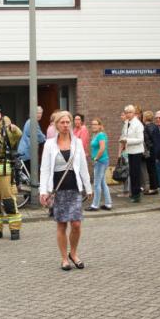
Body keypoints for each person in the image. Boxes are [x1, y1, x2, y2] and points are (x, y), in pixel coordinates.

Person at [40, 111, 92, 270]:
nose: (65, 125)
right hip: (58, 189)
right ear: (56, 125)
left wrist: (88, 187)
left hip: (74, 188)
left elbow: (83, 166)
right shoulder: (49, 144)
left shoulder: (77, 142)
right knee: (62, 225)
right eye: (62, 122)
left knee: (76, 224)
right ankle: (64, 258)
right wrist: (43, 191)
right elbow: (45, 169)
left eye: (67, 122)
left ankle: (73, 253)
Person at [0, 102, 24, 240]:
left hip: (5, 171)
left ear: (0, 115)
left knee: (8, 201)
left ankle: (14, 229)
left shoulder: (7, 129)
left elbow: (18, 135)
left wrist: (12, 127)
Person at [120, 104, 145, 202]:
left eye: (130, 112)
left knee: (135, 174)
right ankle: (133, 193)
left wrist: (127, 140)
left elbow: (140, 139)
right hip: (129, 151)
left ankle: (137, 195)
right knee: (132, 173)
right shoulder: (126, 123)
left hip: (137, 151)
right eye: (126, 112)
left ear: (134, 113)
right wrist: (123, 139)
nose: (128, 114)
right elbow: (124, 134)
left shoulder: (138, 124)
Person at [86, 118, 112, 211]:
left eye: (95, 124)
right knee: (103, 183)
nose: (93, 126)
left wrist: (96, 158)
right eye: (92, 124)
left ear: (100, 126)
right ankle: (108, 204)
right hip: (101, 161)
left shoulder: (100, 135)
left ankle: (95, 205)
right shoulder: (96, 135)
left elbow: (102, 148)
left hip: (101, 161)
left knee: (97, 184)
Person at [17, 105, 45, 173]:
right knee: (29, 173)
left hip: (26, 151)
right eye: (37, 113)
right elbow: (40, 136)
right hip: (27, 152)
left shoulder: (30, 121)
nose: (39, 115)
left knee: (28, 173)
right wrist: (48, 141)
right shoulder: (32, 122)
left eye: (40, 113)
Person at [142, 110, 159, 195]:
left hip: (150, 151)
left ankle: (153, 188)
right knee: (153, 169)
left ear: (145, 118)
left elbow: (149, 140)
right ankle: (155, 186)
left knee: (151, 170)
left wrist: (149, 148)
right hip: (154, 150)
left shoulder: (147, 127)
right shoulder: (155, 126)